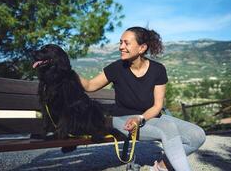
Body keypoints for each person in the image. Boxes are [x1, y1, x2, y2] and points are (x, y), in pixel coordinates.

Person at [77, 27, 206, 171]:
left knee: (197, 135)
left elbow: (157, 106)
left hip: (150, 118)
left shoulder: (158, 70)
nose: (121, 47)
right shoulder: (116, 68)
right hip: (122, 120)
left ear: (142, 48)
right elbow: (89, 86)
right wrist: (67, 69)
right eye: (120, 43)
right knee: (168, 128)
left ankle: (160, 167)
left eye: (126, 43)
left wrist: (140, 118)